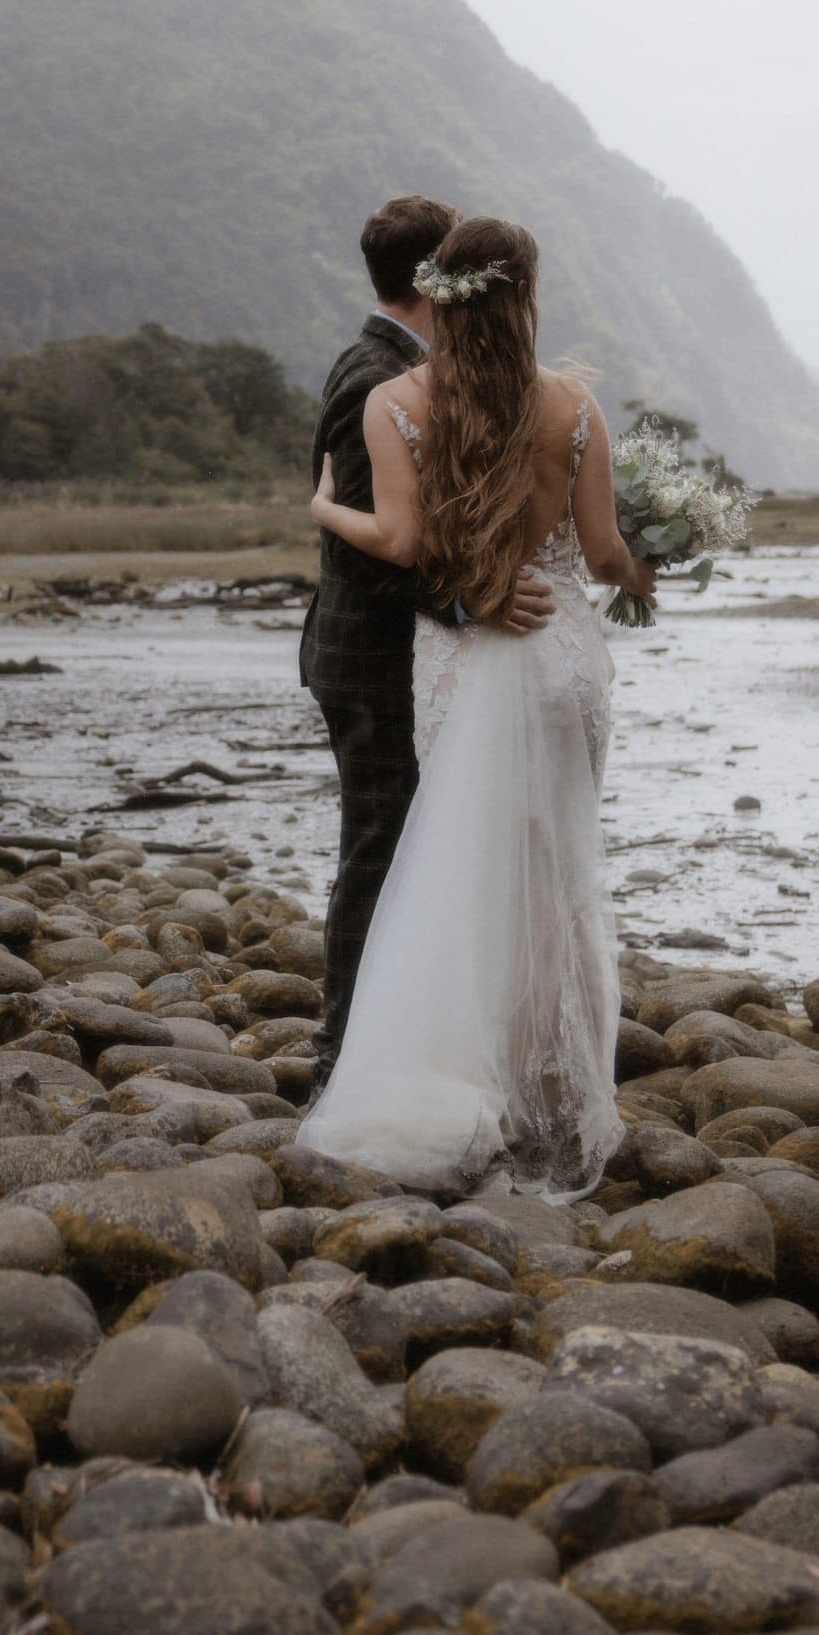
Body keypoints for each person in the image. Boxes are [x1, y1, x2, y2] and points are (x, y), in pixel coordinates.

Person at [300, 214, 656, 1199]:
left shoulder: (395, 403)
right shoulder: (573, 408)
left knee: (461, 864)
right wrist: (650, 562)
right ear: (525, 293)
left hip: (465, 654)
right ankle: (565, 1090)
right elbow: (599, 557)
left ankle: (465, 1076)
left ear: (435, 289)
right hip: (563, 663)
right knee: (560, 865)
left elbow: (405, 543)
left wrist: (328, 509)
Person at [300, 195, 556, 1084]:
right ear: (428, 279)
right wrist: (470, 604)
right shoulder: (376, 380)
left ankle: (384, 1032)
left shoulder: (392, 367)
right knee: (378, 844)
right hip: (369, 654)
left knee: (396, 839)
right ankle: (341, 1044)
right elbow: (373, 546)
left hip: (376, 652)